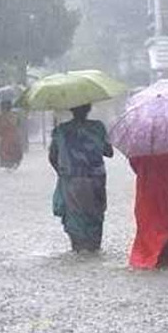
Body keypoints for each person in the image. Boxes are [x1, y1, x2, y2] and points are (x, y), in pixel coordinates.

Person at [49, 104, 113, 254]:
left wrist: (62, 172)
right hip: (96, 179)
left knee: (74, 216)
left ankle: (78, 248)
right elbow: (109, 152)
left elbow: (52, 157)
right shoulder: (98, 127)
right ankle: (94, 248)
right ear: (89, 108)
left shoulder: (61, 130)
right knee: (95, 213)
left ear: (71, 110)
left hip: (72, 179)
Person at [0, 100, 23, 169]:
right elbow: (18, 125)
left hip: (6, 138)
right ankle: (13, 163)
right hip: (13, 137)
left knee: (7, 151)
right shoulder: (14, 115)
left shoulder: (0, 117)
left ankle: (9, 164)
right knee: (14, 151)